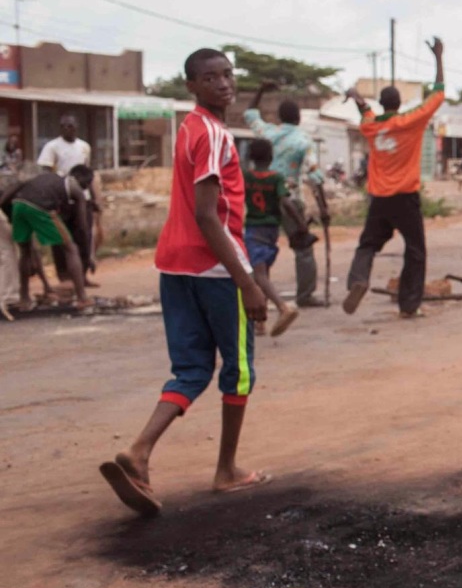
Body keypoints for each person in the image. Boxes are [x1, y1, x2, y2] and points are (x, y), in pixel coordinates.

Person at [98, 48, 272, 518]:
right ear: (191, 86)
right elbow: (207, 214)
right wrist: (248, 283)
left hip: (173, 265)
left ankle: (138, 453)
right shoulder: (213, 134)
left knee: (192, 369)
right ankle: (227, 470)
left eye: (227, 74)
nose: (223, 83)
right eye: (210, 77)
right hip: (214, 268)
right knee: (238, 368)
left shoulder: (189, 128)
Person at [343, 37, 445, 317]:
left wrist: (356, 96)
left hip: (379, 198)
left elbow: (366, 114)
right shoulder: (409, 120)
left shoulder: (372, 128)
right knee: (415, 250)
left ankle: (358, 280)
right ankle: (409, 305)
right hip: (405, 196)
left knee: (368, 244)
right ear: (399, 103)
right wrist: (438, 57)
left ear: (382, 104)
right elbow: (437, 95)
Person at [244, 81, 326, 307]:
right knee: (303, 248)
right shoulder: (303, 140)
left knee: (259, 251)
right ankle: (305, 295)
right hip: (290, 199)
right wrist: (323, 206)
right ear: (298, 118)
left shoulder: (266, 132)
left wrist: (259, 90)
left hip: (262, 201)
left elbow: (250, 114)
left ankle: (257, 294)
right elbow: (314, 174)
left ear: (279, 116)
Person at [1, 164, 95, 309]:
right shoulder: (75, 187)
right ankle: (82, 297)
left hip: (18, 205)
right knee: (71, 248)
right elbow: (82, 226)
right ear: (85, 182)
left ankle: (24, 298)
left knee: (25, 252)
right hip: (40, 206)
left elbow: (17, 186)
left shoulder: (48, 177)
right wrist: (87, 254)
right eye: (87, 186)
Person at [242, 138, 304, 337]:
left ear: (250, 157)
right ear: (271, 156)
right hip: (271, 230)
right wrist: (300, 223)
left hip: (254, 229)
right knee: (264, 273)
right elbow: (285, 202)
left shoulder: (246, 177)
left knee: (258, 275)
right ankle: (260, 321)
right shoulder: (276, 178)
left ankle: (282, 307)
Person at [37, 114, 100, 283]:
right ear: (60, 127)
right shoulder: (52, 147)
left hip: (82, 197)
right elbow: (46, 173)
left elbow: (88, 173)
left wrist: (94, 198)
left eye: (71, 126)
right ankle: (64, 276)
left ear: (76, 127)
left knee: (83, 235)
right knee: (61, 238)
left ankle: (83, 274)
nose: (68, 129)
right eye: (64, 126)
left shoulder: (84, 147)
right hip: (62, 198)